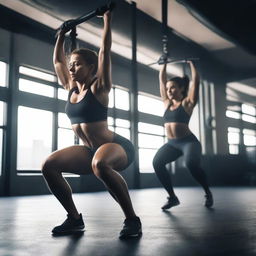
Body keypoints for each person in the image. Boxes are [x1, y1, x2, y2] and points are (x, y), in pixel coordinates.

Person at [41, 10, 142, 239]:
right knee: (49, 166)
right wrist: (61, 35)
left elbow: (105, 52)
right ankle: (74, 219)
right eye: (71, 65)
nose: (71, 68)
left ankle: (132, 220)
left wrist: (107, 19)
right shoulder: (70, 88)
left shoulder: (99, 87)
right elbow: (58, 61)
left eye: (76, 64)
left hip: (116, 147)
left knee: (100, 165)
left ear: (90, 67)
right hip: (90, 150)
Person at [153, 60, 213, 210]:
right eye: (168, 89)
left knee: (191, 164)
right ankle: (172, 197)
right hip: (172, 144)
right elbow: (162, 79)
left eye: (172, 88)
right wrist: (164, 64)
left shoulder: (187, 103)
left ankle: (207, 192)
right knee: (157, 162)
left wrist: (192, 64)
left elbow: (196, 82)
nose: (169, 91)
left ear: (181, 88)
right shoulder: (167, 103)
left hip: (188, 142)